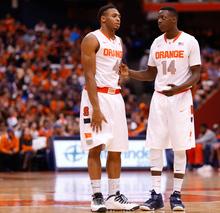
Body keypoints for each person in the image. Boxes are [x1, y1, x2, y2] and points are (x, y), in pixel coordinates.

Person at [120, 6, 201, 211]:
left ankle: (176, 195)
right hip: (159, 98)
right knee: (155, 145)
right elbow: (150, 74)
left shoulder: (190, 41)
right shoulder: (157, 42)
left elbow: (196, 74)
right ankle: (156, 195)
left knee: (179, 146)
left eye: (163, 18)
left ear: (174, 20)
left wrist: (180, 88)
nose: (159, 21)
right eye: (158, 18)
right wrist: (130, 72)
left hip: (181, 98)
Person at [80, 5, 138, 212]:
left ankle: (114, 195)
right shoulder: (92, 39)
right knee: (96, 147)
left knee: (116, 149)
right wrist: (96, 108)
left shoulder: (119, 41)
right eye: (114, 16)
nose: (118, 19)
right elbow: (89, 75)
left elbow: (113, 68)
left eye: (120, 16)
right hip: (96, 97)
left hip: (116, 96)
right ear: (103, 18)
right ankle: (96, 197)